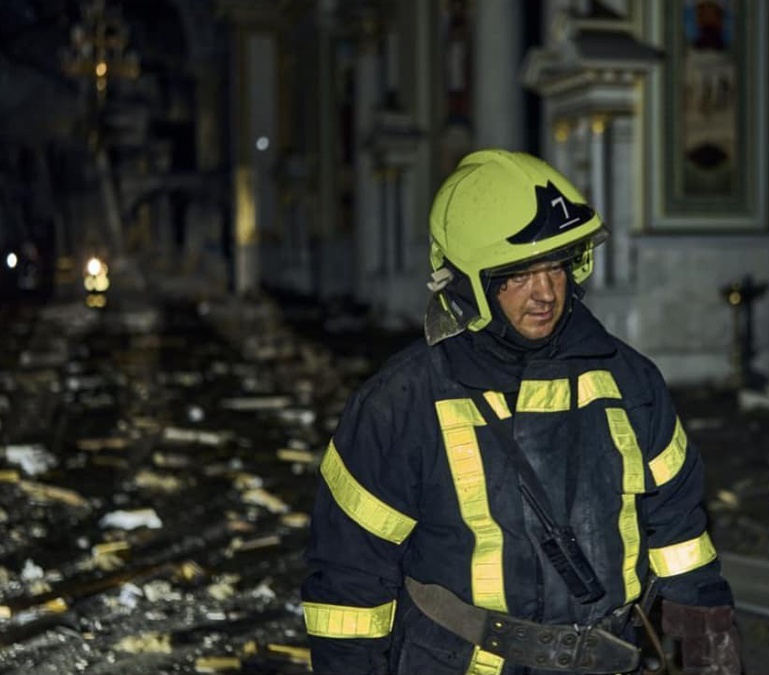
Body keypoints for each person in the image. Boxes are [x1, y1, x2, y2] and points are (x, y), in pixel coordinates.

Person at [301, 150, 741, 675]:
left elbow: (681, 532)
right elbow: (349, 580)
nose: (545, 292)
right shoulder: (401, 402)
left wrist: (710, 649)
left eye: (555, 265)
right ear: (469, 280)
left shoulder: (631, 381)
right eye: (517, 274)